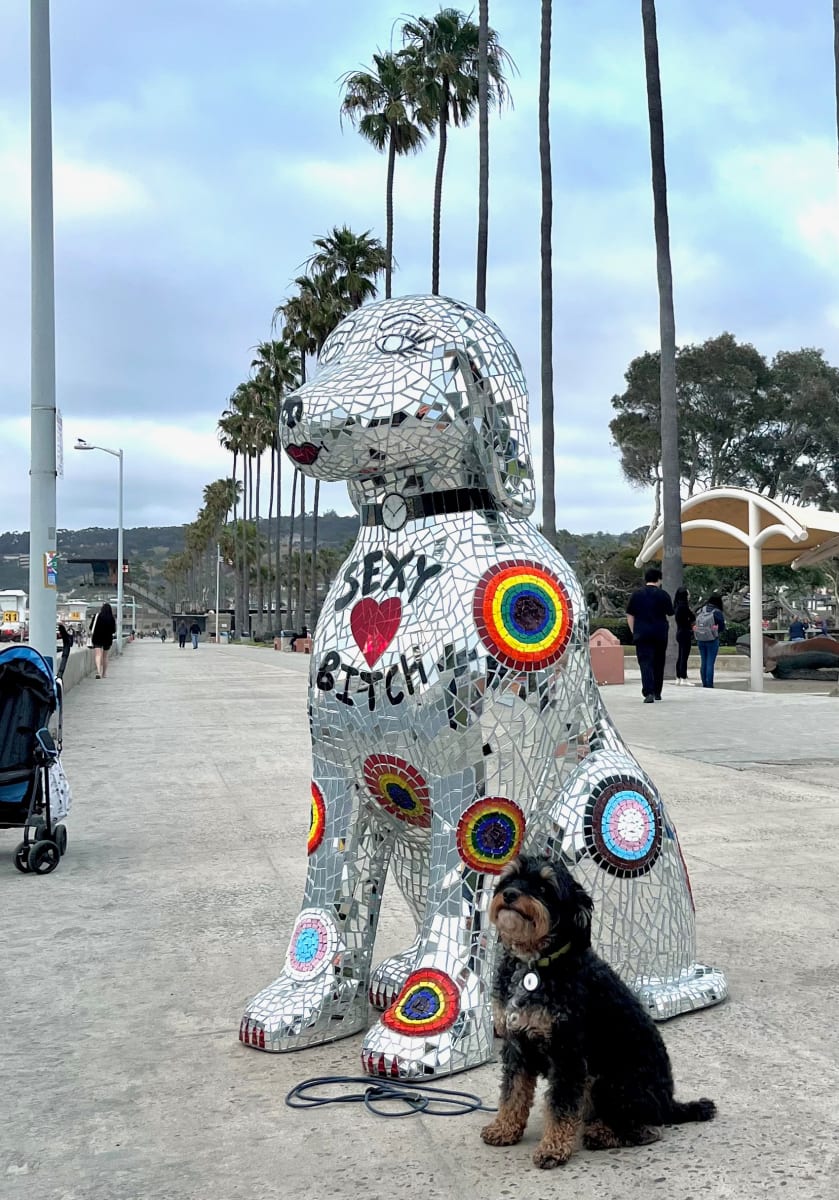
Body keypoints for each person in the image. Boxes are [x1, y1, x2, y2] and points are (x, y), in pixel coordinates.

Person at [626, 566, 674, 704]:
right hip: (659, 632)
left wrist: (634, 631)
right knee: (659, 662)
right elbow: (670, 613)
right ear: (659, 580)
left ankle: (649, 692)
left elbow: (630, 615)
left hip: (642, 633)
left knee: (645, 662)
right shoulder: (663, 594)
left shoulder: (636, 594)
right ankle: (658, 692)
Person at [695, 593, 726, 688]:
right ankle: (709, 684)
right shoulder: (717, 612)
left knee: (703, 661)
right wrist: (715, 629)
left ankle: (704, 682)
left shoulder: (702, 610)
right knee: (710, 662)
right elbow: (722, 627)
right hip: (712, 639)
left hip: (700, 638)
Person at [673, 586, 696, 685]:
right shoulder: (684, 606)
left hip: (679, 632)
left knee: (680, 655)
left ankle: (678, 676)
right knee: (684, 656)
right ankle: (683, 677)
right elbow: (692, 617)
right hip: (685, 632)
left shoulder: (677, 606)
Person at [89, 602, 117, 679]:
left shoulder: (96, 616)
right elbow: (113, 630)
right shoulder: (111, 618)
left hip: (97, 638)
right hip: (107, 639)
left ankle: (98, 671)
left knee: (98, 655)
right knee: (105, 656)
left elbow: (91, 627)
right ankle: (104, 673)